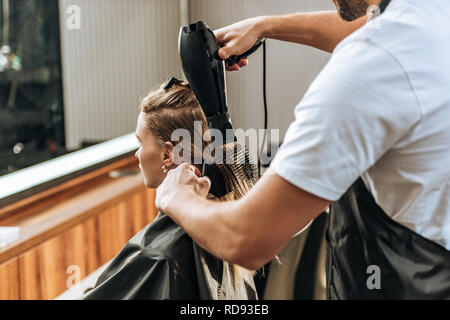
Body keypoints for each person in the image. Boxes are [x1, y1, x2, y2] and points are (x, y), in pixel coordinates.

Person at [155, 0, 450, 299]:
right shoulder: (433, 15)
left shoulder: (369, 66)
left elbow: (245, 238)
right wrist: (264, 26)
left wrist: (178, 198)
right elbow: (369, 26)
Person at [82, 79, 258, 300]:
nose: (137, 154)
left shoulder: (159, 255)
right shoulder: (227, 218)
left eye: (140, 142)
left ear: (168, 154)